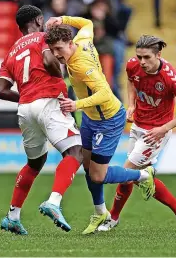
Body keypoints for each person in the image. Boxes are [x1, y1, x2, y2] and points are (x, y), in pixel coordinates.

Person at [44, 16, 155, 235]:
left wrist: (77, 104)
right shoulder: (83, 39)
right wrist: (63, 19)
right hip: (90, 118)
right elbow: (87, 23)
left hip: (109, 120)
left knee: (97, 176)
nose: (56, 54)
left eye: (59, 49)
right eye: (52, 49)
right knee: (87, 166)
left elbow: (105, 93)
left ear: (69, 44)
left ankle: (143, 176)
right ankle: (100, 212)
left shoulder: (81, 64)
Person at [0, 5, 83, 235]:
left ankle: (12, 216)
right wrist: (60, 74)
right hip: (49, 101)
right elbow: (47, 60)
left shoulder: (11, 52)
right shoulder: (44, 37)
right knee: (75, 152)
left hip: (25, 108)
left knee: (35, 163)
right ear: (38, 19)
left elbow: (1, 90)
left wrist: (25, 96)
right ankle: (54, 201)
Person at [97, 35, 176, 233]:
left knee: (126, 173)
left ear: (158, 55)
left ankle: (112, 217)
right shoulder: (133, 65)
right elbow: (131, 82)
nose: (142, 62)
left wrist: (163, 129)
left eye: (147, 58)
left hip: (155, 133)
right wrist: (131, 104)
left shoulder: (171, 78)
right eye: (139, 57)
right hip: (138, 126)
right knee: (135, 177)